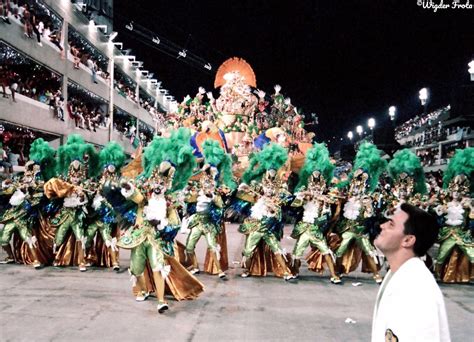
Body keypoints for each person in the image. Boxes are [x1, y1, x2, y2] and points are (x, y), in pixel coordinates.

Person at [371, 203, 450, 342]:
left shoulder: (417, 288)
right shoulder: (401, 276)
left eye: (391, 224)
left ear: (407, 240)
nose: (382, 226)